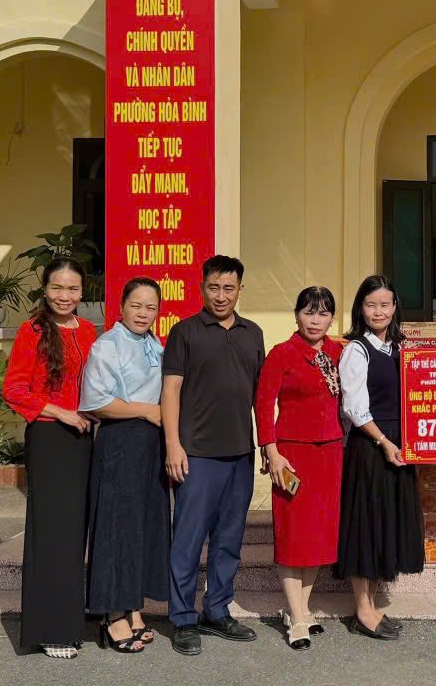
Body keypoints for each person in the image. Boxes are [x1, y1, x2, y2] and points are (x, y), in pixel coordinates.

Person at [162, 255, 266, 657]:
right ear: (202, 287)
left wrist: (266, 445)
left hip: (240, 453)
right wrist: (173, 445)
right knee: (188, 540)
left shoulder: (252, 333)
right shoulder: (185, 332)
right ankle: (183, 618)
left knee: (229, 539)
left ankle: (217, 611)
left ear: (240, 290)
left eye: (229, 288)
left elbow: (259, 396)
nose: (221, 296)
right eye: (214, 287)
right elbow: (171, 390)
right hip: (196, 455)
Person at [1, 257, 96, 660]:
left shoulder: (88, 330)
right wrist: (62, 413)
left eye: (72, 288)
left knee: (74, 532)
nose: (64, 296)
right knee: (52, 532)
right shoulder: (33, 331)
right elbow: (14, 390)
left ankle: (70, 617)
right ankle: (50, 629)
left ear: (82, 292)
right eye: (57, 287)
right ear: (45, 289)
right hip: (50, 438)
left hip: (85, 439)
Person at [80, 277, 170, 654]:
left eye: (151, 307)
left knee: (141, 527)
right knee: (117, 527)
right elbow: (95, 402)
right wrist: (147, 411)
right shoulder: (108, 344)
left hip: (151, 446)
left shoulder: (155, 344)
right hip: (121, 441)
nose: (143, 313)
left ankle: (133, 606)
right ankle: (113, 615)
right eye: (136, 305)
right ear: (121, 307)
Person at [334, 274, 424, 640]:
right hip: (372, 447)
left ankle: (371, 606)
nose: (378, 311)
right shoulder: (356, 350)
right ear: (360, 309)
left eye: (385, 304)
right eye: (371, 305)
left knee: (385, 524)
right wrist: (385, 442)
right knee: (366, 527)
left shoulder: (400, 347)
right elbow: (354, 408)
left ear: (395, 307)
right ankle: (362, 611)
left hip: (399, 446)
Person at [254, 287, 345, 650]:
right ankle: (296, 614)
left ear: (332, 318)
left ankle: (301, 610)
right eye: (308, 312)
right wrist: (271, 451)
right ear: (296, 315)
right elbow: (263, 405)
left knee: (318, 534)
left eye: (323, 313)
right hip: (292, 455)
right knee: (293, 534)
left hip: (331, 454)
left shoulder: (340, 352)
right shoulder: (282, 354)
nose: (315, 320)